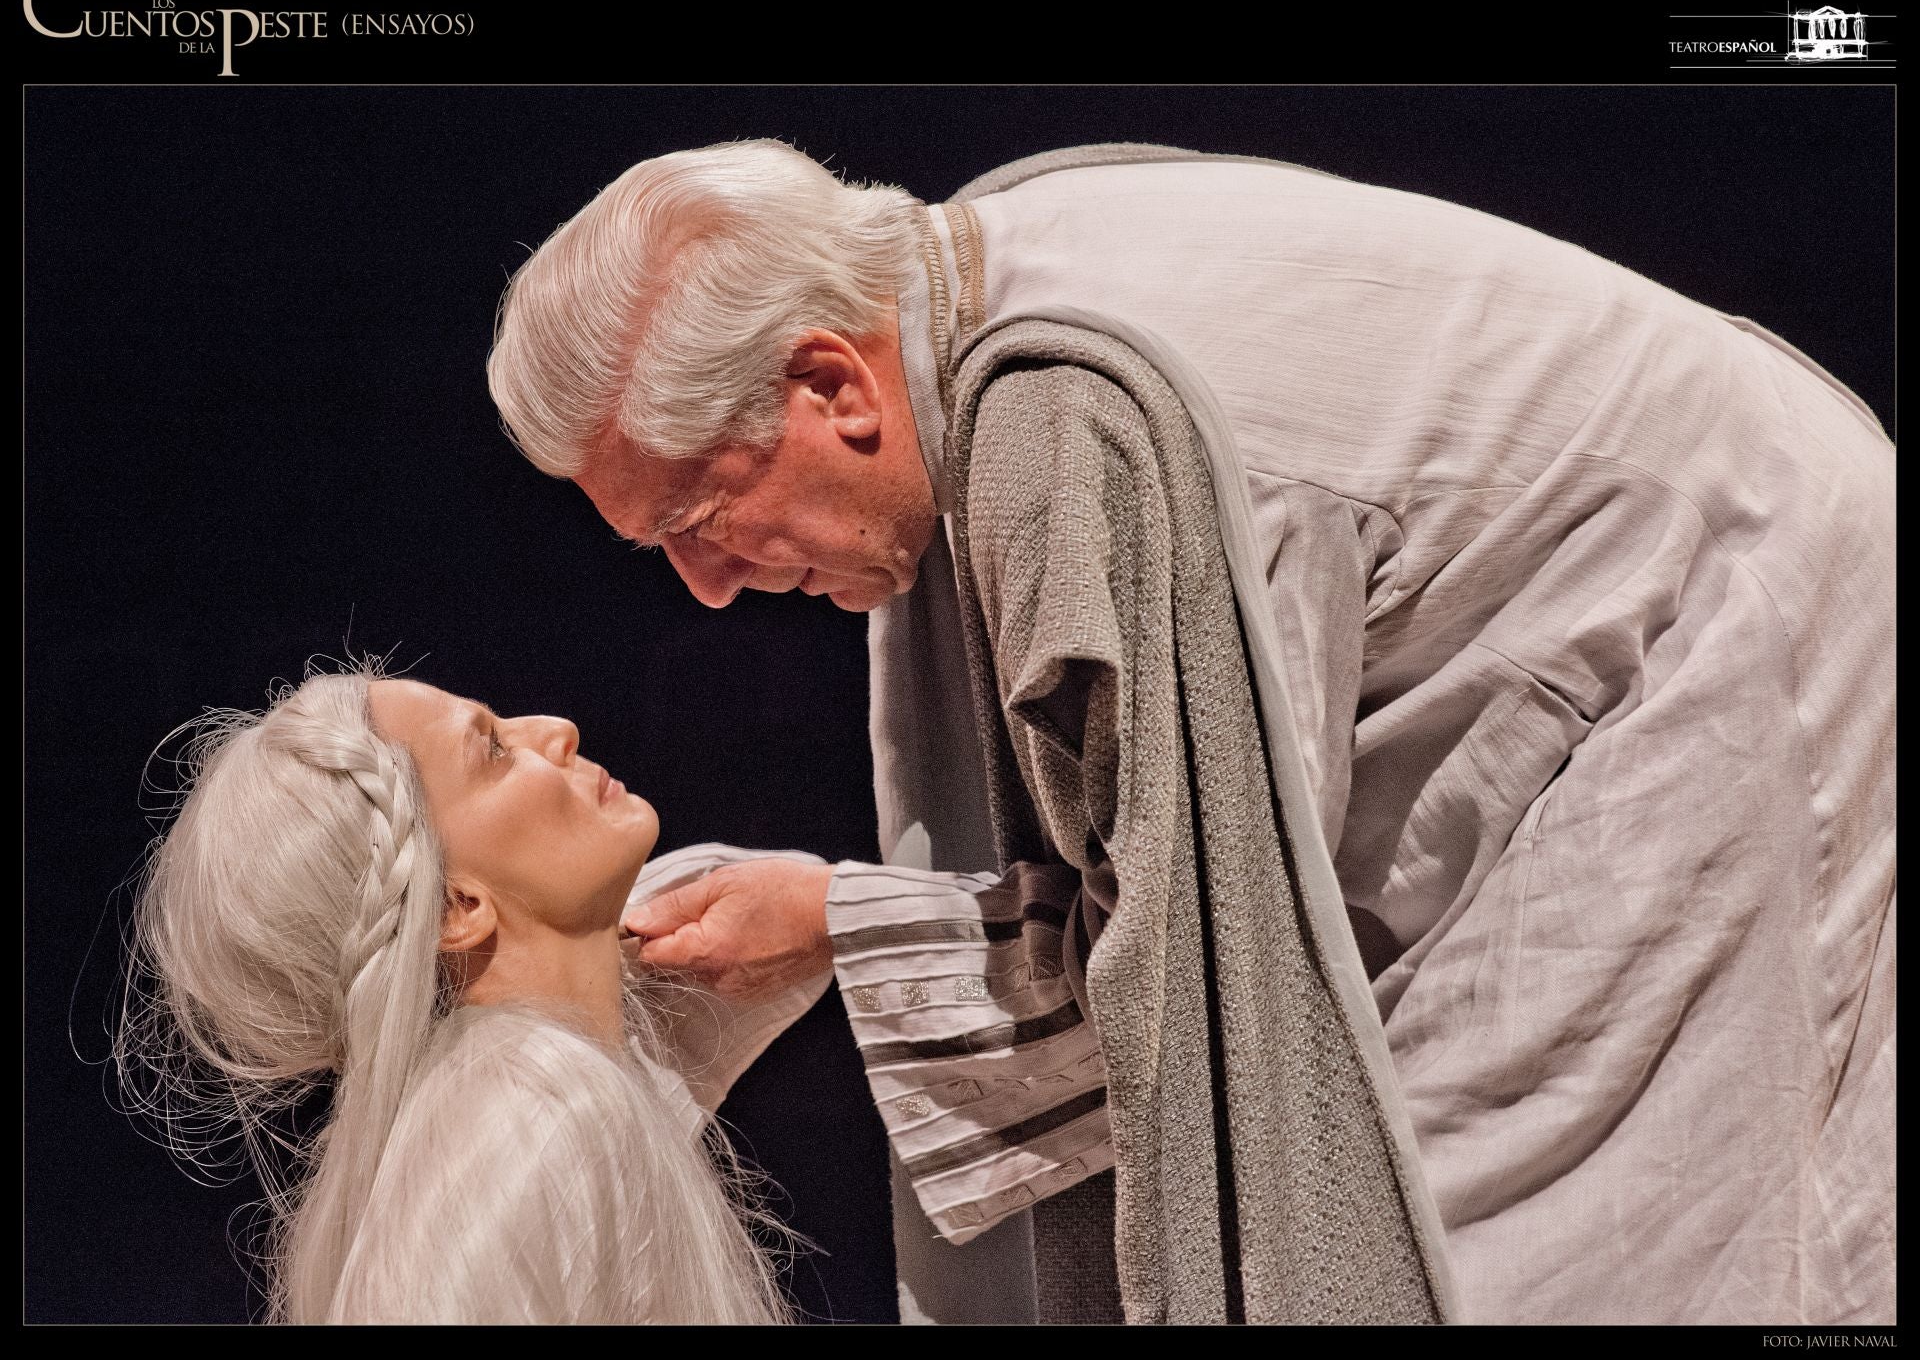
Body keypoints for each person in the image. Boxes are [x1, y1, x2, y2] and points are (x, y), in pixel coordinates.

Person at [485, 141, 1895, 1325]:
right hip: (1632, 620)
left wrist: (839, 931)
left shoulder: (1077, 429)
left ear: (833, 387)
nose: (707, 586)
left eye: (701, 516)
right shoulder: (970, 284)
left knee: (1545, 1250)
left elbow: (1204, 964)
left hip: (1725, 641)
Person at [114, 667, 823, 1324]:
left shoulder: (534, 1092)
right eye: (495, 751)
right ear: (455, 907)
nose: (558, 729)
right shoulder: (540, 1111)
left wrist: (826, 915)